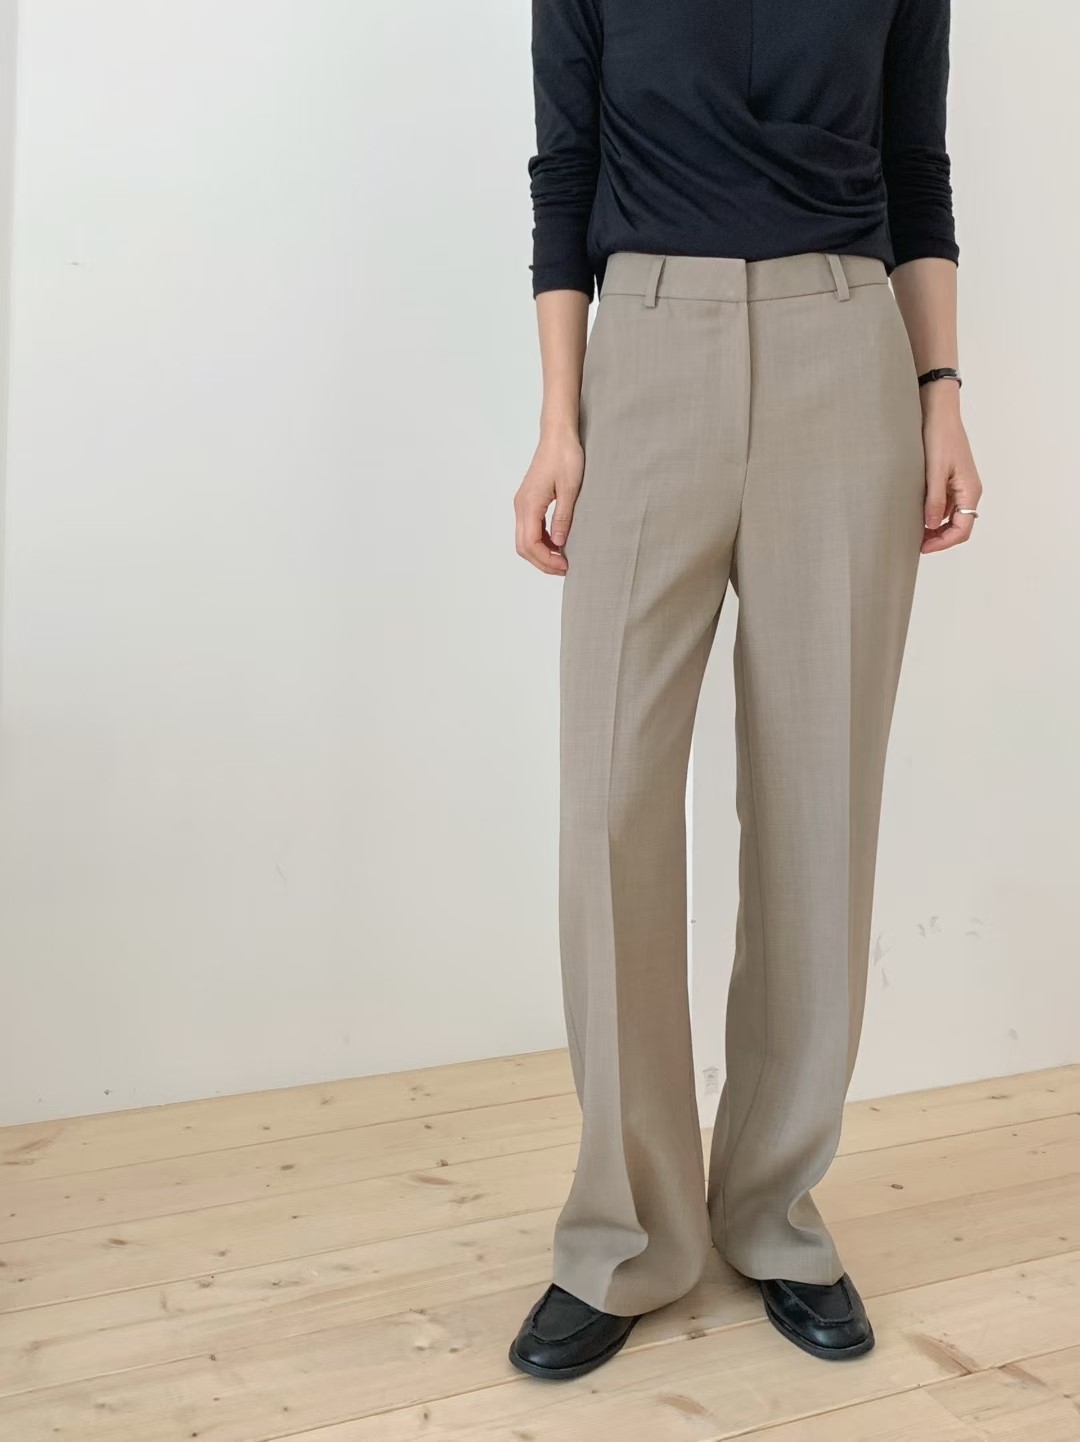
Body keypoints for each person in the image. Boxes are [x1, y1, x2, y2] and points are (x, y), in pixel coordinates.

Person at [509, 0, 982, 1382]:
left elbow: (916, 166)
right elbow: (564, 169)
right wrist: (558, 418)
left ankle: (774, 1212)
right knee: (608, 806)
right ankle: (624, 1234)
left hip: (847, 353)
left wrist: (943, 393)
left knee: (819, 805)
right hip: (646, 351)